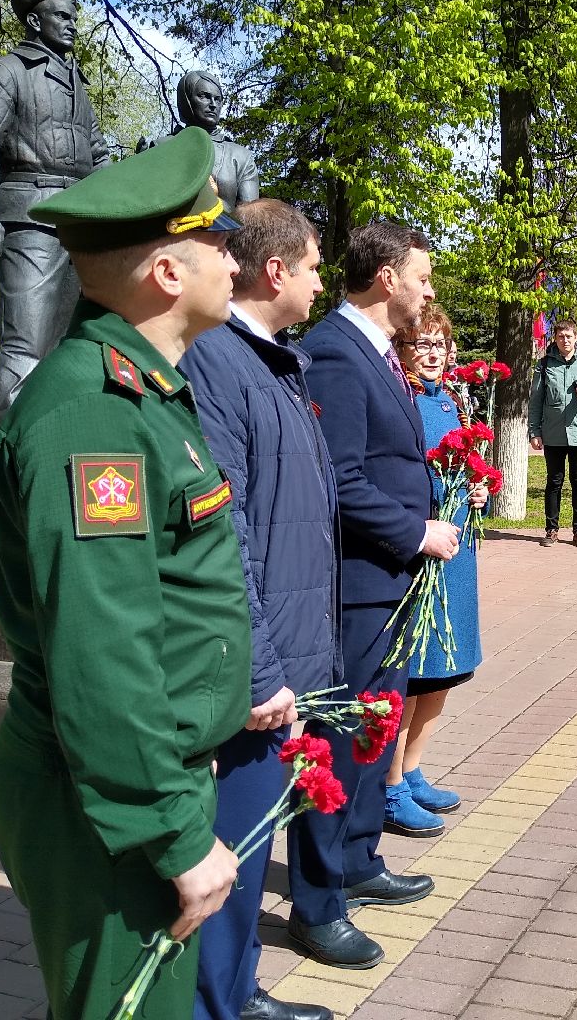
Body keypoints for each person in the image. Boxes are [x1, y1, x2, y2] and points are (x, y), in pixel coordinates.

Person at [0, 127, 248, 1019]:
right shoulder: (93, 413)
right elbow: (101, 645)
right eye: (216, 237)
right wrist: (172, 833)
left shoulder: (142, 392)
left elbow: (167, 590)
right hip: (107, 808)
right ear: (167, 273)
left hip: (131, 784)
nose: (232, 253)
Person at [179, 200, 337, 1020]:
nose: (319, 282)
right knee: (235, 849)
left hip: (284, 650)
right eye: (313, 265)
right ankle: (217, 1004)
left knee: (250, 844)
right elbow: (225, 530)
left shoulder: (275, 359)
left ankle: (235, 992)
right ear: (275, 270)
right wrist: (265, 669)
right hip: (253, 667)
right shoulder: (220, 362)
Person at [291, 222, 459, 969]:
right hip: (360, 586)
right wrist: (416, 533)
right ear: (387, 277)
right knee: (340, 739)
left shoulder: (376, 352)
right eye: (421, 277)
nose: (428, 291)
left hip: (387, 584)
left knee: (375, 733)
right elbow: (342, 480)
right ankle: (318, 901)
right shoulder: (335, 351)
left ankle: (358, 860)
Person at [0, 0, 112, 430]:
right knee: (24, 342)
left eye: (75, 17)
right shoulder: (8, 71)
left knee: (66, 347)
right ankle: (9, 460)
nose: (72, 25)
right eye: (62, 16)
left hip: (78, 225)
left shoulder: (76, 82)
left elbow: (97, 154)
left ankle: (50, 448)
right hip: (29, 219)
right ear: (33, 20)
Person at [383, 307, 489, 838]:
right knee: (414, 672)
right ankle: (390, 783)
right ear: (401, 349)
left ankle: (415, 768)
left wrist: (480, 492)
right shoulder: (398, 403)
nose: (433, 354)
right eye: (421, 343)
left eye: (440, 344)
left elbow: (467, 467)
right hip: (421, 555)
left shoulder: (451, 400)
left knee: (444, 674)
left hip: (458, 555)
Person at [528, 319, 577, 547]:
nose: (565, 340)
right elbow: (535, 401)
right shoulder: (543, 365)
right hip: (552, 434)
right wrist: (535, 431)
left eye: (569, 336)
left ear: (576, 338)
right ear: (555, 338)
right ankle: (551, 530)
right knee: (554, 482)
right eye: (561, 336)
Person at [148, 71, 260, 210]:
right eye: (204, 96)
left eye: (217, 99)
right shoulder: (162, 147)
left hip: (224, 231)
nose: (213, 104)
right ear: (187, 100)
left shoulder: (240, 156)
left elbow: (249, 216)